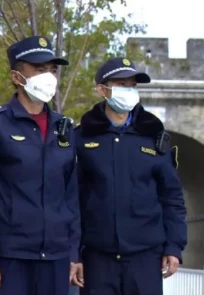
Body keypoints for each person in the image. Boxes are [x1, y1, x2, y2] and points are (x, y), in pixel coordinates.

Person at [0, 36, 82, 295]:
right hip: (10, 259)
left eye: (52, 70)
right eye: (39, 69)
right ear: (16, 76)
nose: (48, 76)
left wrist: (74, 252)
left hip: (56, 259)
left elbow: (71, 197)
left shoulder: (64, 128)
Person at [74, 57, 187, 295]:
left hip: (145, 258)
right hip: (97, 260)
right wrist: (73, 253)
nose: (129, 90)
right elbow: (70, 201)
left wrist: (174, 246)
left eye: (133, 85)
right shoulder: (81, 138)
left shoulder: (154, 138)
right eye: (122, 84)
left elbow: (172, 198)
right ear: (102, 89)